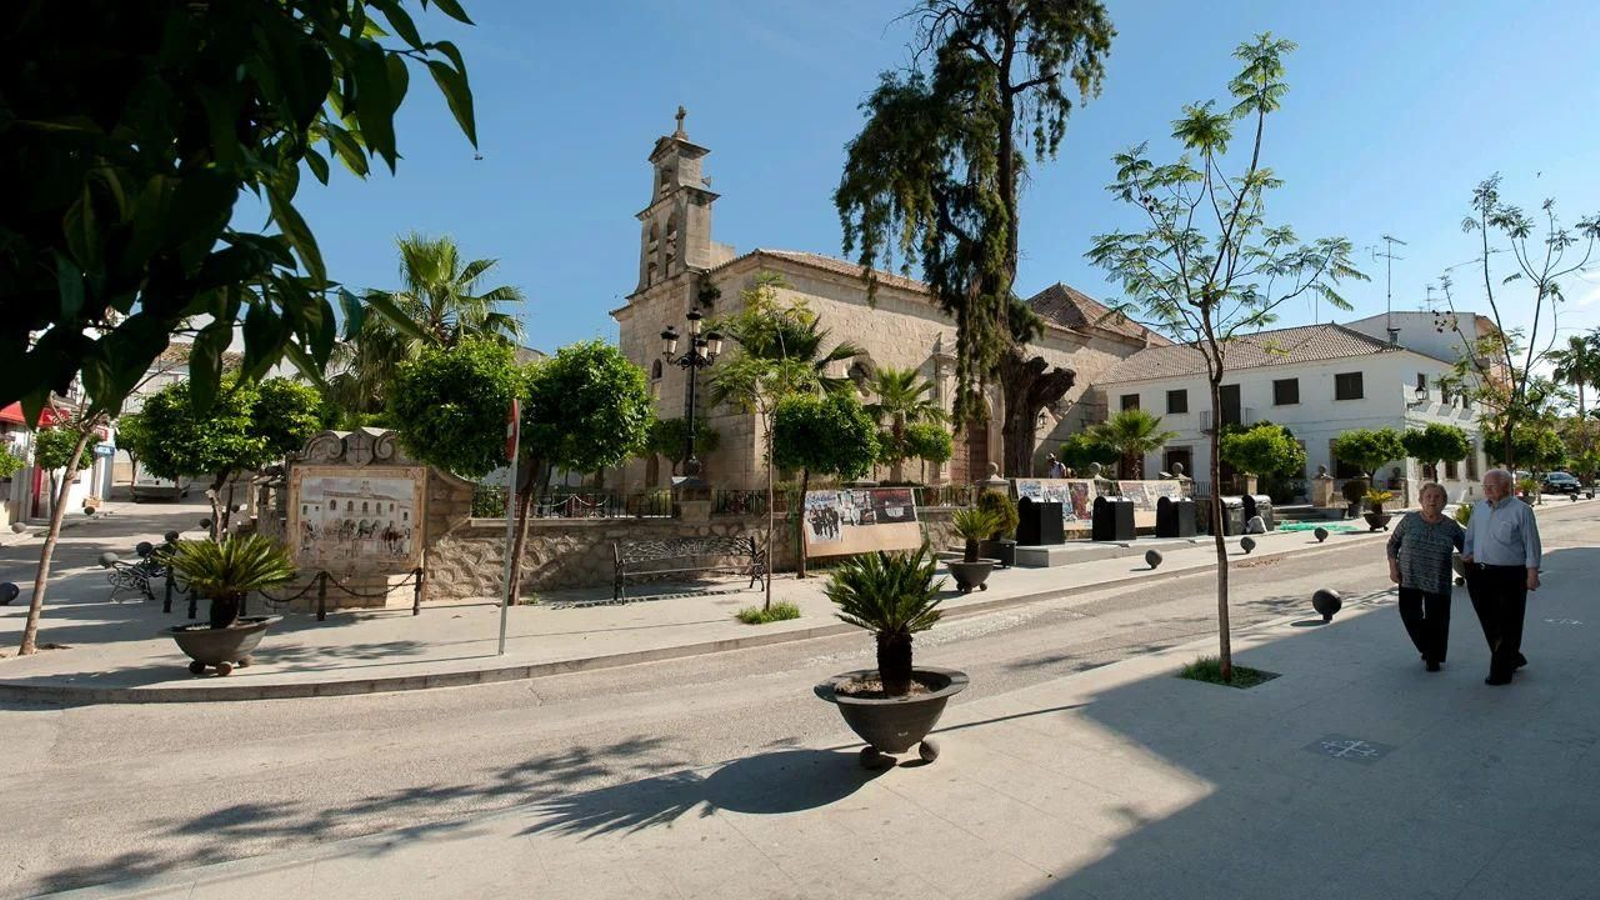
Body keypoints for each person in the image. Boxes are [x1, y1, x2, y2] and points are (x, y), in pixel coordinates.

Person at [1461, 468, 1542, 686]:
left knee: (1509, 623)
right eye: (1485, 486)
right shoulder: (1479, 509)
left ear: (1506, 487)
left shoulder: (1522, 511)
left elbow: (1531, 543)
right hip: (1480, 573)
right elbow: (1470, 535)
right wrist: (1467, 554)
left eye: (1492, 485)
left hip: (1511, 574)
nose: (1487, 489)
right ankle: (1512, 657)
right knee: (1488, 620)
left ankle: (1500, 672)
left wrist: (1532, 572)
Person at [1386, 482, 1464, 672]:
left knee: (1437, 621)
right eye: (1428, 497)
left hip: (1438, 580)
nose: (1432, 501)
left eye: (1437, 497)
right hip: (1409, 578)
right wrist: (1393, 567)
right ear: (1420, 500)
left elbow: (1467, 550)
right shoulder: (1409, 520)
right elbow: (1392, 544)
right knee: (1409, 616)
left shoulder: (1451, 527)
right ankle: (1427, 647)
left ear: (1444, 501)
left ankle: (1433, 657)